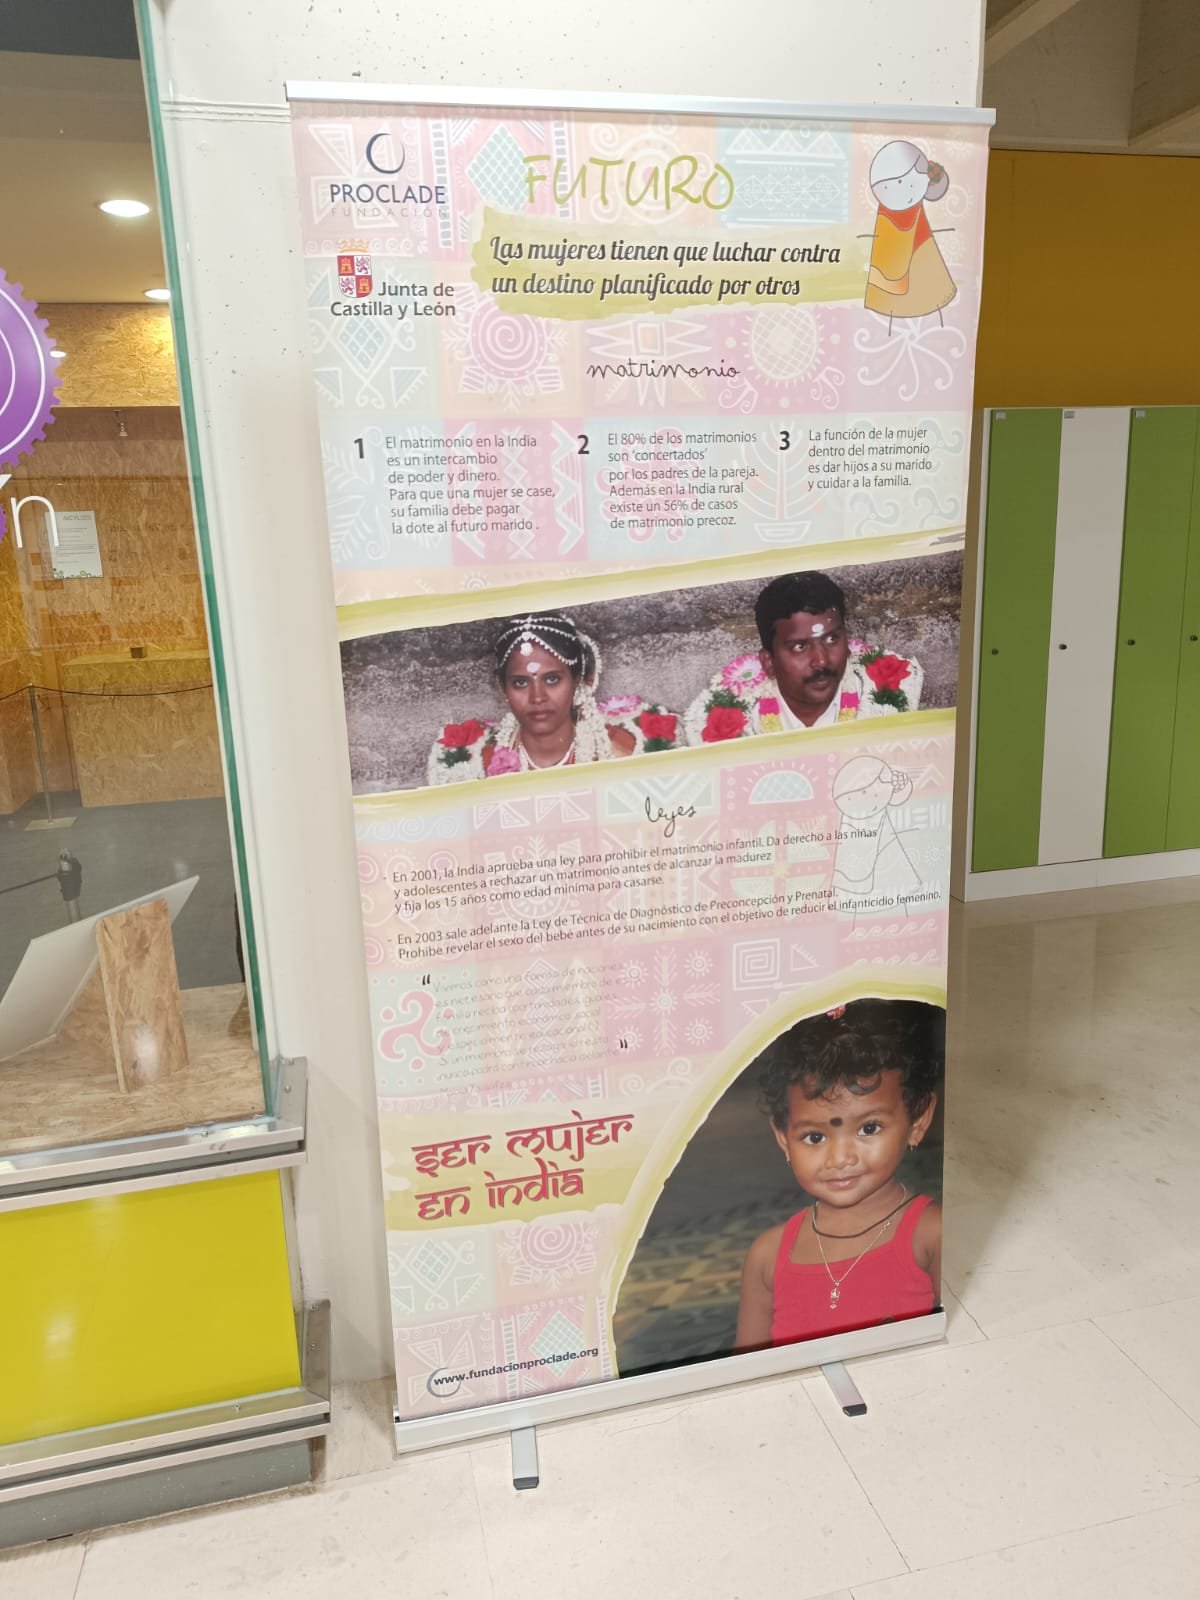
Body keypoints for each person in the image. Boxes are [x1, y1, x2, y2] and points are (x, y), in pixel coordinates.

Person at [735, 1000, 942, 1349]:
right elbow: (747, 1369)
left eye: (869, 1128)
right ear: (784, 1138)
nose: (841, 1158)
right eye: (814, 1137)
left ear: (918, 1121)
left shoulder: (931, 1235)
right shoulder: (767, 1256)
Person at [428, 610, 681, 784]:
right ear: (503, 688)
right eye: (520, 682)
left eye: (552, 679)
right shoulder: (472, 766)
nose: (537, 697)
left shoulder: (623, 753)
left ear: (579, 680)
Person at [684, 571, 923, 744]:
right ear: (768, 662)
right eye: (800, 647)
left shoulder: (885, 693)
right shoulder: (733, 721)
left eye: (832, 639)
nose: (821, 661)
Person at [863, 139, 956, 331]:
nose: (907, 191)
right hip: (903, 268)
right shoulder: (888, 214)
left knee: (928, 288)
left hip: (922, 255)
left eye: (912, 184)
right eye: (892, 185)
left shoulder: (908, 206)